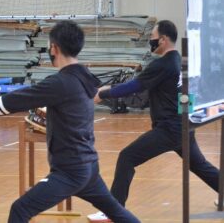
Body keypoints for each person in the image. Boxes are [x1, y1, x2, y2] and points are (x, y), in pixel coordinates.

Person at [0, 21, 139, 223]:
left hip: (70, 171)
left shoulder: (61, 83)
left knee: (20, 209)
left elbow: (16, 99)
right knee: (117, 212)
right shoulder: (85, 78)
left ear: (54, 48)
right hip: (89, 167)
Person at [89, 20, 220, 221]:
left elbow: (135, 86)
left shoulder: (162, 64)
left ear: (163, 39)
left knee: (127, 157)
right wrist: (187, 120)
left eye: (152, 38)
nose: (150, 42)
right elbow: (188, 92)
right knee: (200, 166)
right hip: (183, 125)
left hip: (169, 129)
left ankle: (113, 212)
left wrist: (104, 93)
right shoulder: (181, 61)